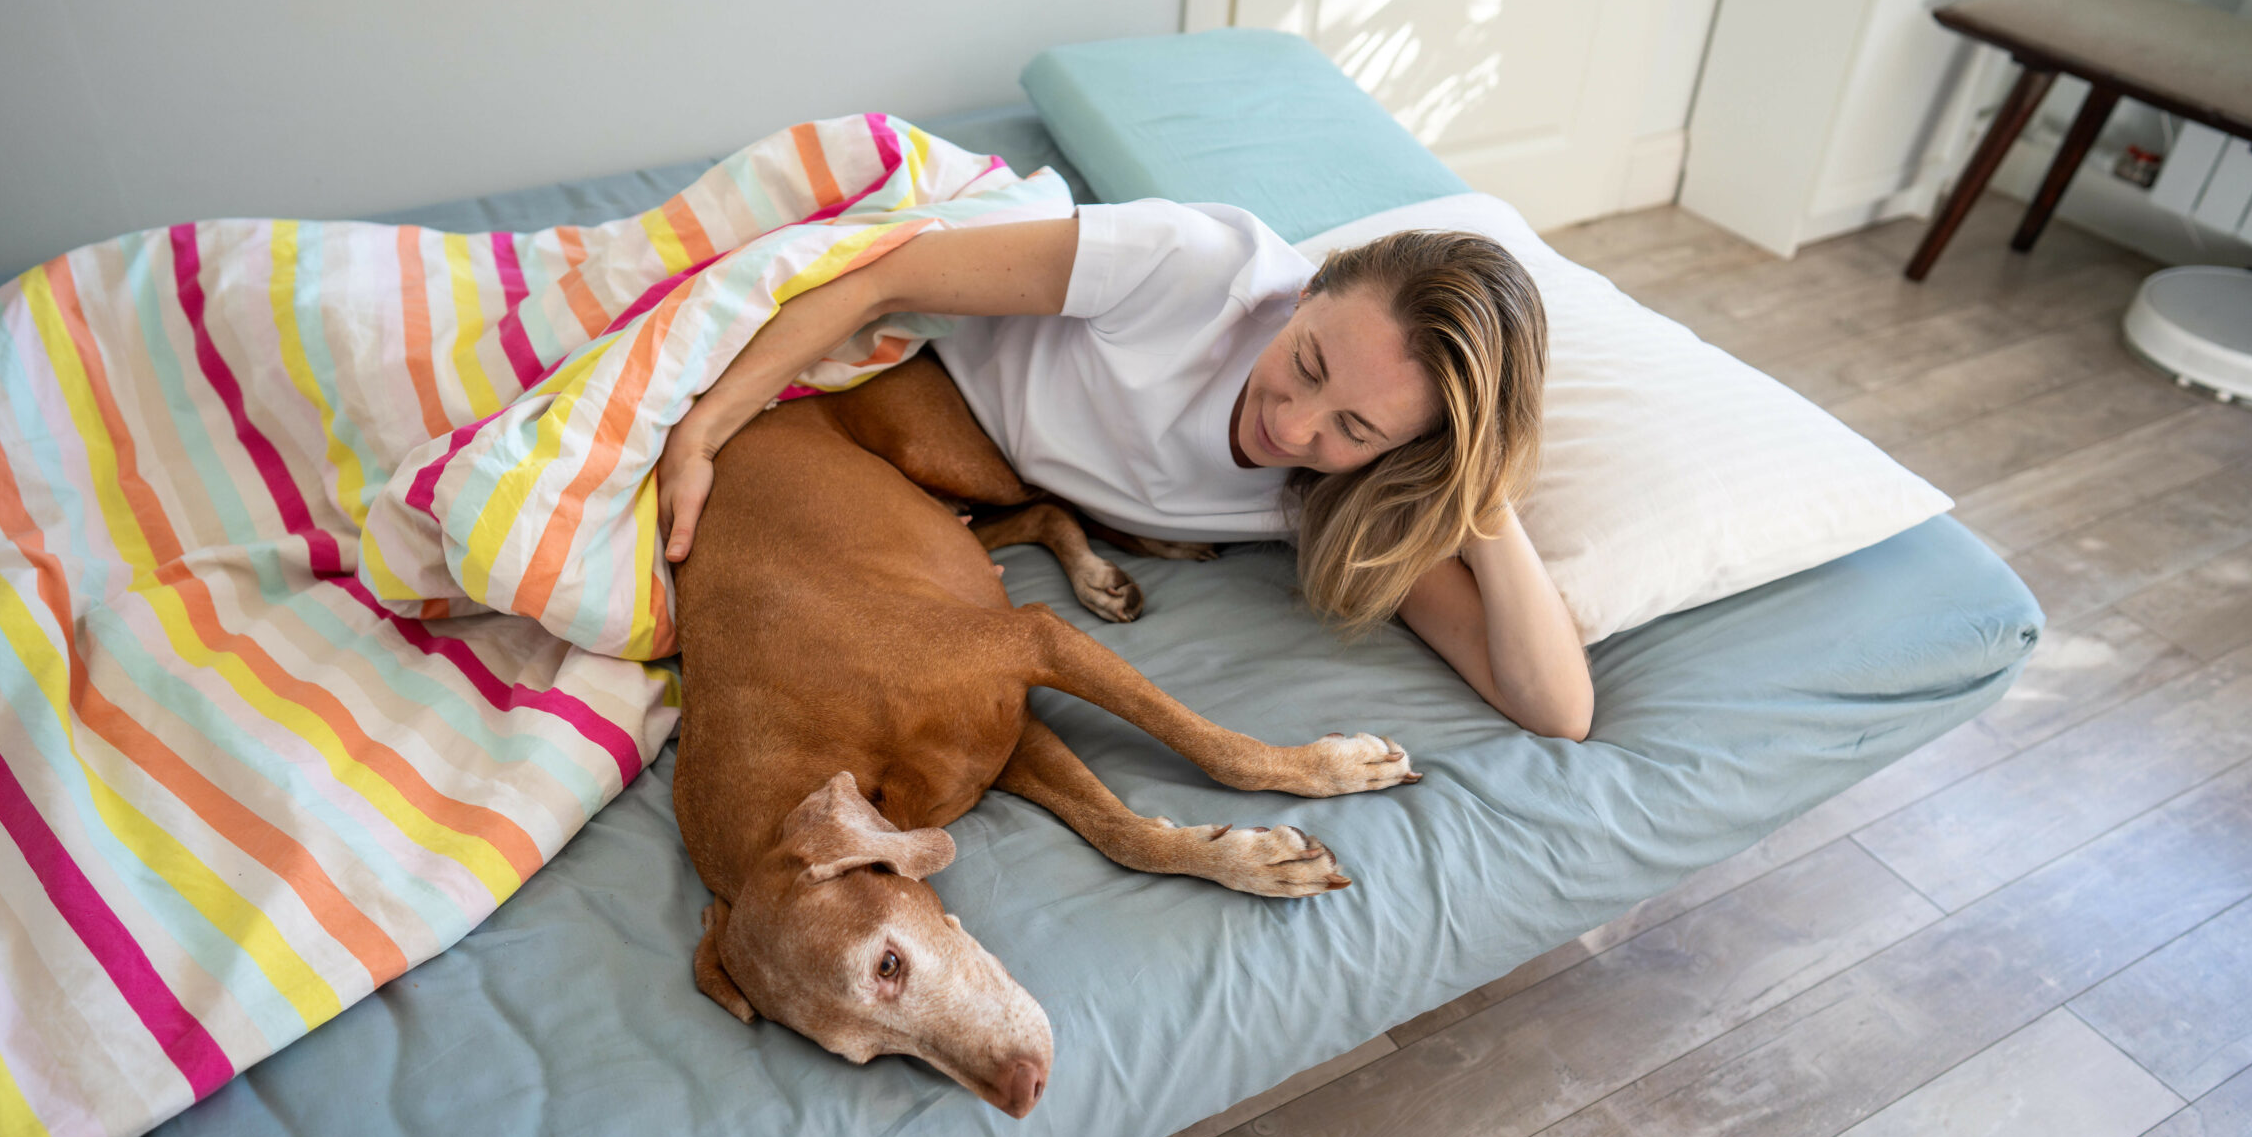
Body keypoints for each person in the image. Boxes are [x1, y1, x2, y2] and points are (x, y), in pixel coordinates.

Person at [655, 200, 1592, 741]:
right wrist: (699, 434)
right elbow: (874, 276)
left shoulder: (1350, 493)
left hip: (989, 477)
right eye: (1306, 362)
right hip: (928, 368)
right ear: (1308, 291)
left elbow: (1556, 709)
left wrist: (1482, 504)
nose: (1293, 423)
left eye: (1352, 423)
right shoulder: (1187, 266)